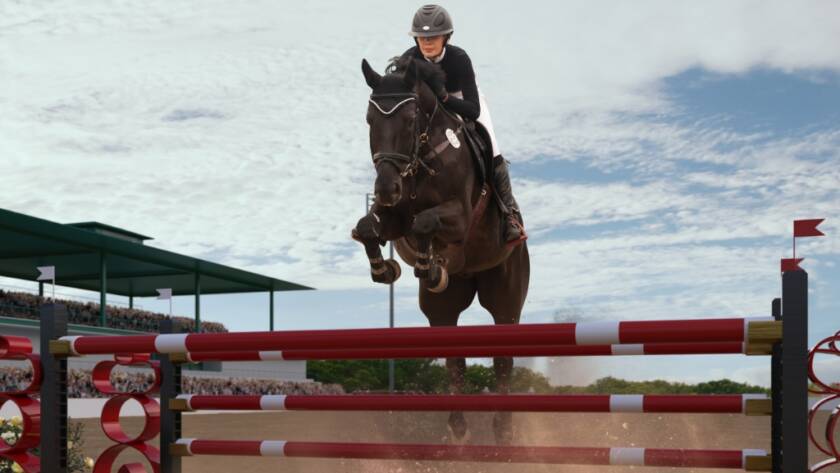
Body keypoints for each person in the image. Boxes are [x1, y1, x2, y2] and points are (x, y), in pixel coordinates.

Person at [401, 4, 527, 247]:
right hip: (429, 107)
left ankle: (508, 214)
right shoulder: (409, 59)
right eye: (422, 37)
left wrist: (445, 99)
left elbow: (473, 109)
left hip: (461, 99)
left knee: (492, 144)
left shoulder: (459, 58)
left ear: (446, 37)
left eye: (433, 37)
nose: (427, 43)